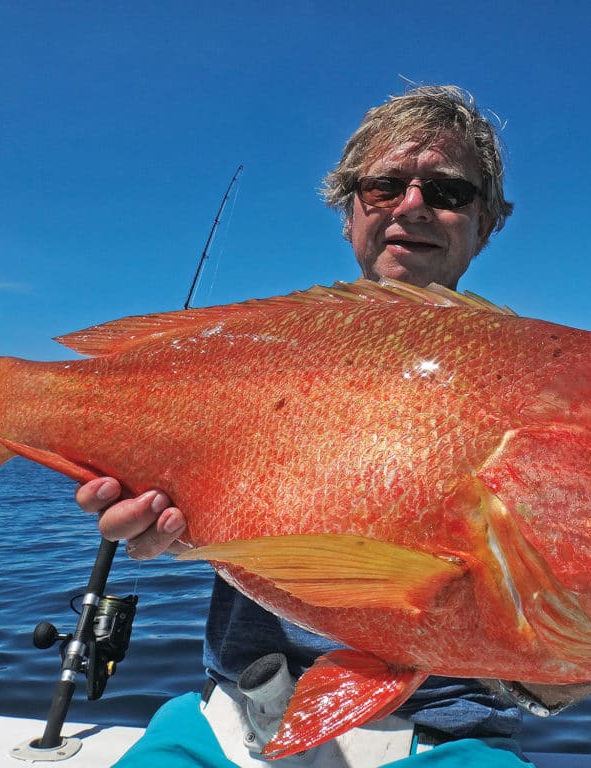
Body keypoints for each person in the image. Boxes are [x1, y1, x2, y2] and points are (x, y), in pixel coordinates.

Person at [77, 85, 531, 767]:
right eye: (384, 186)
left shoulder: (535, 383)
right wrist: (170, 531)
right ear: (349, 211)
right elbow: (204, 523)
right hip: (231, 720)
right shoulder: (256, 352)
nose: (412, 205)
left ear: (488, 220)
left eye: (448, 190)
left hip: (446, 739)